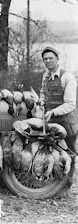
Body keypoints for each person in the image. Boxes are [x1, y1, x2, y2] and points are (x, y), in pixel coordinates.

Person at [39, 46, 78, 196]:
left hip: (67, 122)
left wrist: (53, 111)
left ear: (57, 59)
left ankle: (65, 187)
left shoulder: (67, 77)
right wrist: (42, 101)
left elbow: (70, 104)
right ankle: (54, 184)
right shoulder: (45, 76)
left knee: (69, 155)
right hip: (53, 122)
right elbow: (43, 91)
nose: (48, 61)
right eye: (45, 59)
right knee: (55, 153)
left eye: (51, 58)